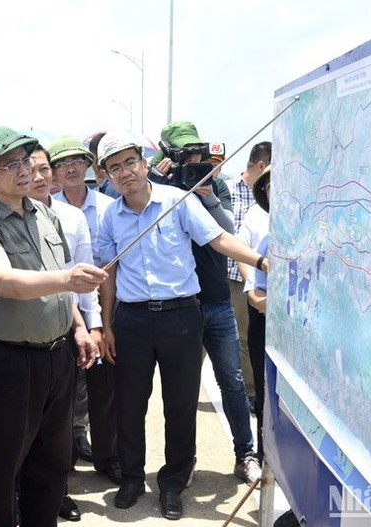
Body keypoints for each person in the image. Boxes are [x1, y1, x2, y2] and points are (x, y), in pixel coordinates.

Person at [96, 130, 270, 520]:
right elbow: (109, 274)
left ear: (144, 163)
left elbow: (219, 239)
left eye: (129, 162)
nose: (124, 172)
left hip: (181, 318)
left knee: (179, 405)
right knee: (129, 403)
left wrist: (261, 262)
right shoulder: (110, 216)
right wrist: (106, 324)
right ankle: (131, 477)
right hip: (132, 320)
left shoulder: (177, 202)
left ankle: (172, 482)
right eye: (114, 167)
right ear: (105, 175)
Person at [0, 126, 106, 527]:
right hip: (9, 362)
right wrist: (68, 280)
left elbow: (57, 276)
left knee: (53, 466)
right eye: (10, 165)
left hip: (57, 358)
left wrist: (77, 324)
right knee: (3, 472)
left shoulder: (42, 211)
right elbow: (4, 281)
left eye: (26, 161)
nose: (24, 171)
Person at [149, 121, 260, 485]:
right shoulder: (156, 186)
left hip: (217, 301)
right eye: (184, 153)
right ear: (167, 154)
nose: (192, 158)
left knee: (232, 380)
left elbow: (228, 229)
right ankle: (184, 461)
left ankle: (245, 454)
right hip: (180, 306)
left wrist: (208, 195)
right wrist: (155, 178)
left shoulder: (216, 182)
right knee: (181, 389)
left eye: (196, 151)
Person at [27, 144, 97, 522]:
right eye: (30, 169)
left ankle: (58, 493)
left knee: (61, 425)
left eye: (43, 170)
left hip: (65, 331)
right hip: (23, 339)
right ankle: (27, 496)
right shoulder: (7, 219)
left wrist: (90, 325)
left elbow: (80, 278)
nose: (38, 177)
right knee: (28, 428)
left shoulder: (70, 218)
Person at [49, 136, 122, 486]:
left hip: (104, 305)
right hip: (62, 308)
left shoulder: (110, 206)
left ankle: (108, 456)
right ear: (53, 173)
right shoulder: (47, 208)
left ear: (90, 165)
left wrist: (102, 321)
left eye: (77, 161)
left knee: (103, 384)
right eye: (62, 164)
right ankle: (68, 451)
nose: (71, 169)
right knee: (65, 389)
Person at [227, 141, 271, 408]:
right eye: (268, 186)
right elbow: (240, 248)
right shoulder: (255, 213)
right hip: (241, 285)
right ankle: (251, 393)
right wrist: (254, 291)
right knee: (241, 340)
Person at [238, 165, 271, 462]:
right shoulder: (267, 242)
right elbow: (254, 295)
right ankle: (266, 459)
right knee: (266, 398)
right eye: (270, 188)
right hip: (270, 328)